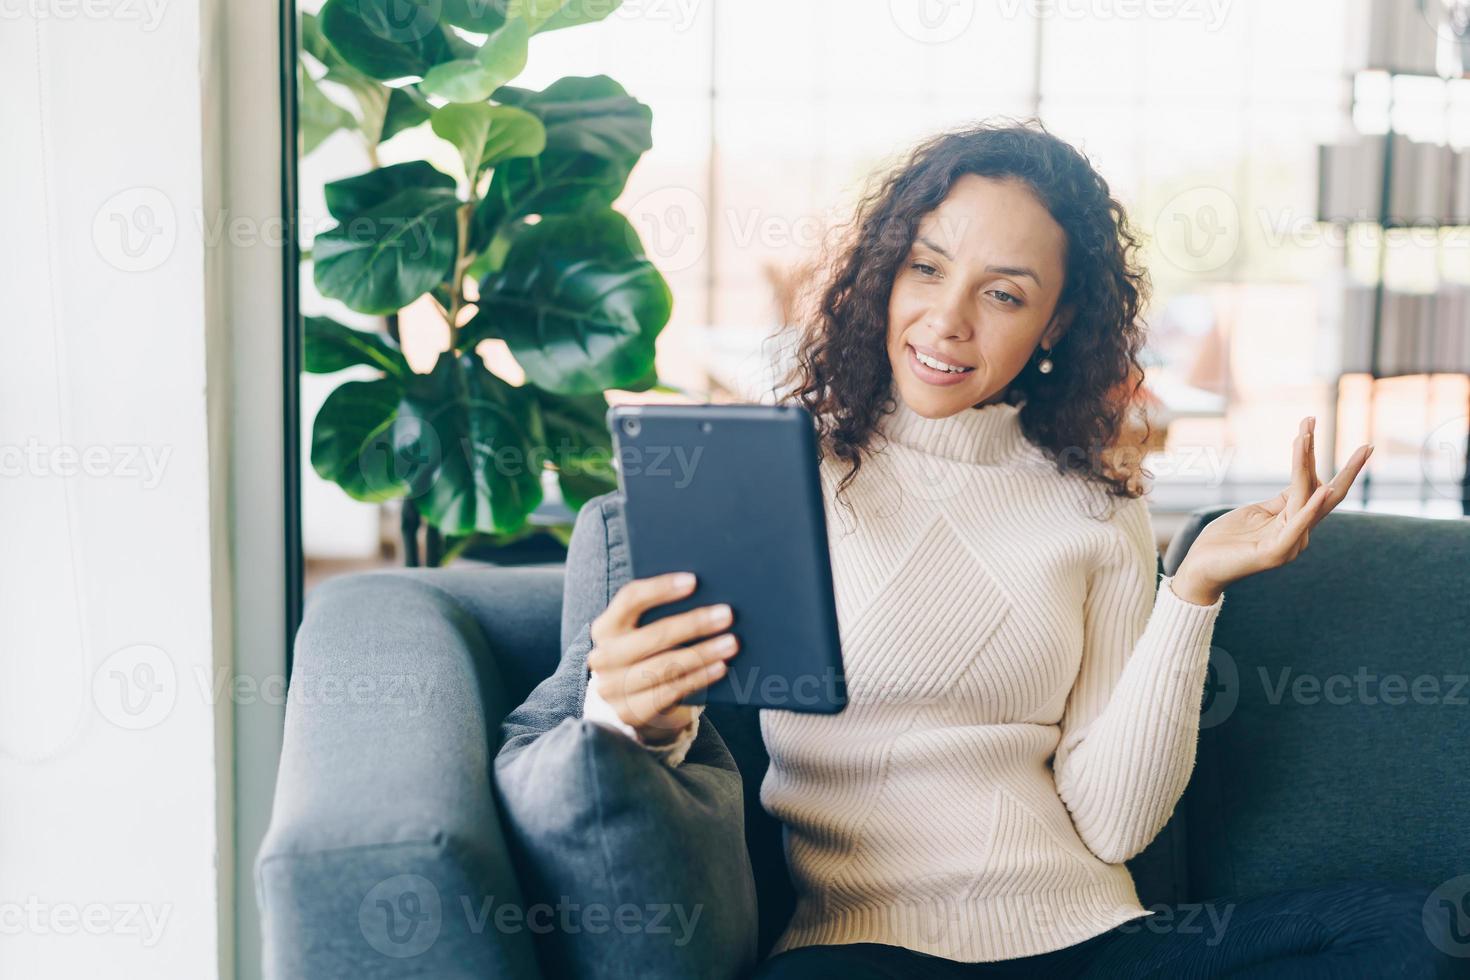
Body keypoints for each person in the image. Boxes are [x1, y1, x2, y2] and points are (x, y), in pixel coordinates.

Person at [579, 122, 1454, 978]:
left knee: (1416, 926)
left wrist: (1191, 593)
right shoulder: (775, 473)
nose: (947, 320)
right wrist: (626, 709)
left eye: (1003, 293)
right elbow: (663, 724)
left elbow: (1112, 827)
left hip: (1092, 939)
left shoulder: (1096, 507)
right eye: (925, 268)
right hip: (863, 949)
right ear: (883, 272)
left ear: (1054, 323)